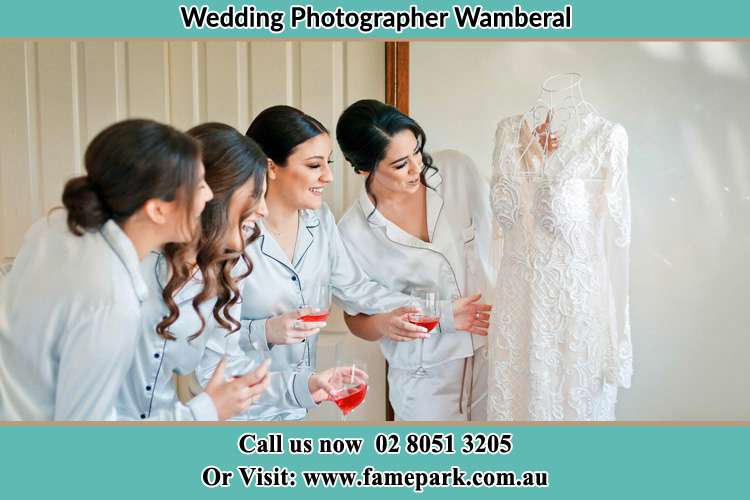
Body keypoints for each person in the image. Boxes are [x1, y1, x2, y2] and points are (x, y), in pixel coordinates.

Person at [196, 105, 414, 421]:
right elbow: (209, 340)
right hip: (238, 413)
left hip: (297, 403)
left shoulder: (320, 220)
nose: (328, 176)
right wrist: (265, 330)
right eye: (314, 165)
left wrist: (435, 311)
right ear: (270, 167)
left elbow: (355, 288)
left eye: (328, 163)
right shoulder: (228, 236)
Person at [0, 119, 209, 420]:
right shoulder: (112, 302)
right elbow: (87, 443)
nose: (209, 196)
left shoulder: (54, 227)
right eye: (200, 185)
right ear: (157, 209)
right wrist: (203, 412)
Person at [336, 100, 494, 420]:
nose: (416, 169)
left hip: (489, 356)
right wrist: (383, 322)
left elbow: (512, 223)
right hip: (424, 378)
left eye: (417, 152)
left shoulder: (457, 172)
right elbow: (355, 319)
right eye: (399, 164)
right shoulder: (351, 234)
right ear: (364, 167)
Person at [116, 123, 271, 421]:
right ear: (211, 193)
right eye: (255, 195)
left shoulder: (224, 269)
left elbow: (221, 366)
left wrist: (300, 385)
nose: (263, 209)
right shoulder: (131, 263)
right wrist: (204, 413)